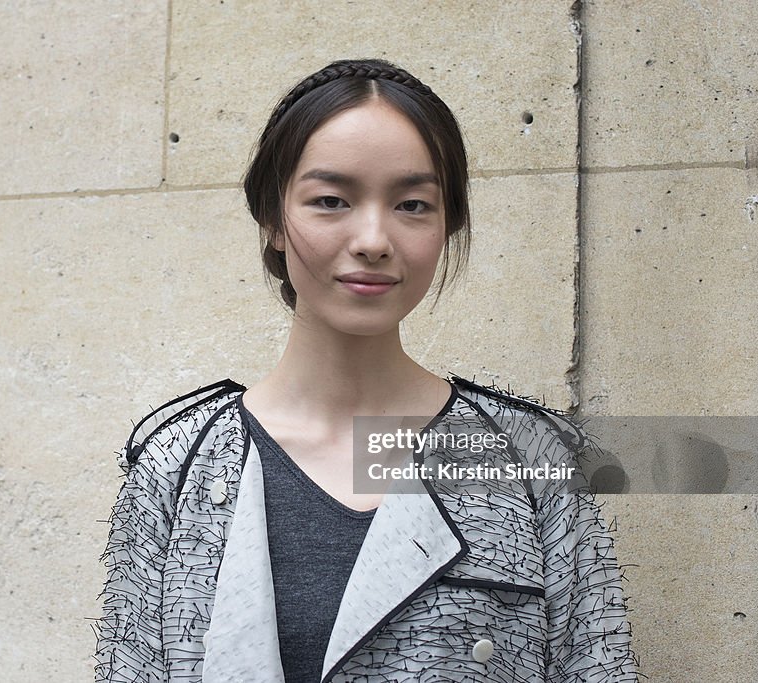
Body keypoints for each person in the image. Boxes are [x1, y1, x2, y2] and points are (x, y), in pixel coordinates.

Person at [92, 58, 639, 682]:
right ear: (273, 218)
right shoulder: (178, 460)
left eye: (412, 204)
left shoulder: (529, 457)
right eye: (331, 200)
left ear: (447, 223)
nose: (374, 238)